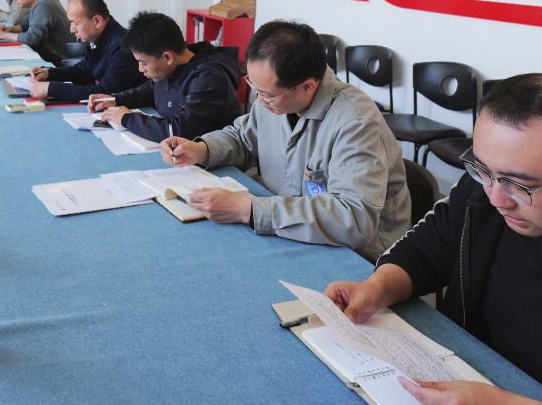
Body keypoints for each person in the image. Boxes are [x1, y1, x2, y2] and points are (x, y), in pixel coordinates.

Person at [324, 74, 542, 404]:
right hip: (467, 371)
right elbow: (426, 251)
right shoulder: (483, 190)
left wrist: (502, 403)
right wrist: (377, 287)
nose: (496, 199)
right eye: (482, 170)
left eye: (521, 186)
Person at [162, 20, 409, 262]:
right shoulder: (275, 100)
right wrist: (202, 149)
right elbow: (242, 137)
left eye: (266, 94)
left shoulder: (356, 124)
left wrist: (248, 210)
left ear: (308, 87)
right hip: (288, 228)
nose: (259, 100)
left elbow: (353, 218)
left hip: (356, 256)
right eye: (253, 87)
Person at [89, 11, 242, 143]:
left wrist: (127, 118)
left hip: (212, 162)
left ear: (167, 57)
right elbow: (150, 89)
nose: (140, 69)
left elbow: (180, 130)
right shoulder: (172, 67)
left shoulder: (209, 78)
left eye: (144, 63)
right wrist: (115, 99)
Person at [27, 0, 145, 102]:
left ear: (97, 21)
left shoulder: (122, 46)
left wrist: (51, 89)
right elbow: (83, 71)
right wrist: (48, 73)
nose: (71, 29)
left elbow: (104, 93)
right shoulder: (100, 37)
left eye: (75, 23)